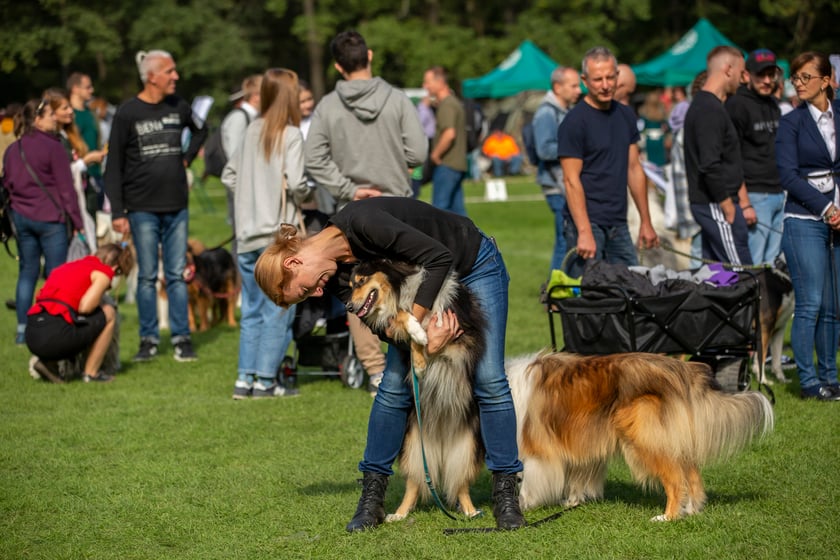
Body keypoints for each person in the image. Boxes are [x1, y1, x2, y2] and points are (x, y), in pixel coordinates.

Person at [252, 196, 526, 532]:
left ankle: (506, 496)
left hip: (472, 265)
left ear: (294, 262)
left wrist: (416, 326)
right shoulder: (337, 278)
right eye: (308, 296)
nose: (317, 294)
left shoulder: (363, 223)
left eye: (305, 289)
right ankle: (372, 499)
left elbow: (440, 258)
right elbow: (383, 330)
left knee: (488, 379)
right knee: (394, 383)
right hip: (424, 291)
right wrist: (426, 340)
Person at [304, 30, 427, 395]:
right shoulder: (397, 99)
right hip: (399, 207)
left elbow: (313, 158)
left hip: (352, 211)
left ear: (338, 66)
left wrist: (348, 188)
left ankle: (375, 370)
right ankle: (412, 360)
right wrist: (396, 163)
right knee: (407, 283)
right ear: (369, 55)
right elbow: (419, 152)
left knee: (362, 288)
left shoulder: (328, 106)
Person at [104, 49, 207, 363]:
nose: (176, 76)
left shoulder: (179, 106)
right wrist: (118, 212)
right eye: (169, 71)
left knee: (176, 274)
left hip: (177, 206)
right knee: (147, 276)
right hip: (141, 208)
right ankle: (148, 340)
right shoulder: (127, 112)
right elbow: (113, 165)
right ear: (151, 77)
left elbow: (201, 129)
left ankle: (181, 338)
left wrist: (186, 158)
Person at [221, 68, 310, 400]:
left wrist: (249, 197)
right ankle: (266, 380)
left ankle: (244, 379)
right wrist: (301, 191)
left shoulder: (250, 130)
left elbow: (229, 175)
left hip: (247, 234)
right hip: (278, 235)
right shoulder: (291, 134)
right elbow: (298, 184)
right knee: (278, 308)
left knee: (253, 309)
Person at [557, 47, 659, 278]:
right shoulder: (574, 122)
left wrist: (646, 221)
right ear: (585, 81)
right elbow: (571, 180)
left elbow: (634, 168)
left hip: (618, 223)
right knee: (586, 293)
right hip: (586, 223)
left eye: (610, 78)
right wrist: (584, 231)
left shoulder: (626, 115)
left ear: (617, 77)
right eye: (597, 79)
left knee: (632, 288)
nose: (605, 85)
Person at [775, 51, 840, 401]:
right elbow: (787, 176)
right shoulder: (791, 122)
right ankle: (810, 382)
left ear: (826, 81)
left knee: (833, 306)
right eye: (795, 78)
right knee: (811, 303)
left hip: (837, 217)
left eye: (805, 77)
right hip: (803, 219)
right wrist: (826, 208)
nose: (798, 84)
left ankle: (831, 377)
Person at [3, 98, 83, 345]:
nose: (55, 118)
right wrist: (78, 222)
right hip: (50, 219)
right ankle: (52, 324)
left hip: (21, 218)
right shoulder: (53, 147)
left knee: (27, 272)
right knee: (56, 275)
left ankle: (22, 330)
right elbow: (66, 189)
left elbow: (7, 184)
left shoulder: (13, 149)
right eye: (50, 115)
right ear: (37, 120)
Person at [25, 243, 134, 383]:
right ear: (115, 267)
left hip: (32, 333)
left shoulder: (68, 266)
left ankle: (50, 364)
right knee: (109, 312)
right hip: (55, 333)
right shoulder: (103, 273)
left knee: (68, 321)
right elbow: (85, 308)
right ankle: (91, 373)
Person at [684, 46, 752, 266]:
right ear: (728, 69)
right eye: (741, 72)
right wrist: (727, 205)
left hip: (717, 203)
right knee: (742, 271)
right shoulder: (708, 109)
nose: (744, 79)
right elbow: (709, 163)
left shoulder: (710, 106)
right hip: (716, 203)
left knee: (717, 275)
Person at [725, 49, 785, 265]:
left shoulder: (773, 104)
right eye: (761, 75)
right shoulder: (736, 105)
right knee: (753, 266)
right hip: (754, 194)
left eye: (771, 74)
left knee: (773, 265)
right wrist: (744, 202)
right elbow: (730, 157)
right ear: (747, 75)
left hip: (779, 192)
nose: (767, 81)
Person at [532, 65, 581, 275]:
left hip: (565, 182)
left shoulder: (565, 110)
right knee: (565, 240)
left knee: (571, 238)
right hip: (556, 185)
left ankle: (568, 283)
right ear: (558, 87)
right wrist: (578, 147)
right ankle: (556, 287)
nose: (579, 90)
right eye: (574, 86)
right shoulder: (546, 113)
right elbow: (544, 149)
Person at [44, 88, 105, 252]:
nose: (71, 111)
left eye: (70, 106)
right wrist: (86, 161)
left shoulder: (69, 134)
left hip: (84, 199)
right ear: (52, 112)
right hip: (67, 208)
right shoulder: (53, 140)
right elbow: (60, 174)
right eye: (65, 108)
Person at [220, 74, 262, 255]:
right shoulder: (239, 118)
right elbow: (236, 160)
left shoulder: (254, 118)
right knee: (243, 242)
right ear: (256, 96)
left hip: (252, 191)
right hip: (243, 191)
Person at [423, 65, 469, 216]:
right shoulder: (453, 102)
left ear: (440, 82)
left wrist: (435, 155)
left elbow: (449, 134)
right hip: (456, 164)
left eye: (428, 82)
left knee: (438, 212)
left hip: (447, 164)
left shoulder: (447, 105)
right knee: (458, 214)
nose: (425, 86)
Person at [67, 72, 103, 210]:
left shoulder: (91, 113)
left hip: (96, 173)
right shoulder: (68, 115)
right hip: (78, 175)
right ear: (75, 89)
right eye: (88, 87)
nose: (91, 90)